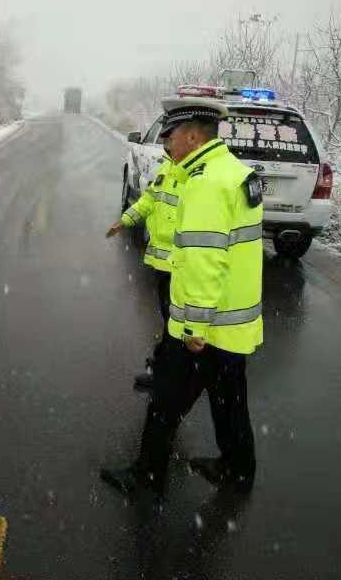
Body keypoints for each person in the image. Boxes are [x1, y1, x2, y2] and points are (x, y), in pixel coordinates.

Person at [101, 96, 264, 496]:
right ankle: (238, 470)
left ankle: (146, 479)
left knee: (165, 402)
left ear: (192, 134)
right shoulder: (234, 172)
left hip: (204, 326)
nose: (166, 142)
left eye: (171, 134)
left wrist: (193, 327)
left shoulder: (206, 183)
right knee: (229, 399)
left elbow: (204, 262)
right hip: (232, 322)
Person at [106, 136, 186, 392]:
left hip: (182, 264)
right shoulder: (169, 168)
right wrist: (126, 219)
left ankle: (168, 377)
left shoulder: (197, 177)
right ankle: (167, 371)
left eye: (171, 138)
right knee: (171, 320)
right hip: (164, 262)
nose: (166, 145)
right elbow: (151, 198)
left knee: (177, 323)